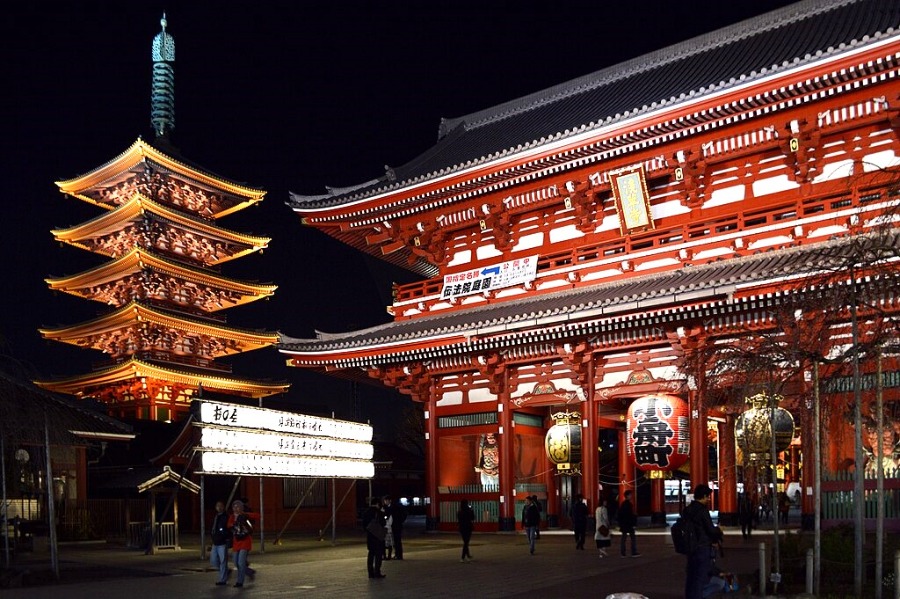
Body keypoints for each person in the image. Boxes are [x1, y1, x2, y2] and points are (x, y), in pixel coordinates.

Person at [682, 484, 725, 599]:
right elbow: (710, 530)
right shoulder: (702, 510)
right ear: (704, 496)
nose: (709, 499)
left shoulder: (687, 510)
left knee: (691, 576)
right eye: (708, 497)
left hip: (691, 547)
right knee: (700, 577)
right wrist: (719, 530)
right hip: (702, 548)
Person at [227, 499, 256, 588]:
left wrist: (246, 515)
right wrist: (234, 524)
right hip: (236, 542)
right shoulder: (232, 517)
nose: (236, 509)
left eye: (238, 507)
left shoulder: (245, 515)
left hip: (245, 541)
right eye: (234, 507)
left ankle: (240, 581)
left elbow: (257, 516)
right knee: (236, 562)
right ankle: (249, 572)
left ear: (242, 508)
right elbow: (229, 525)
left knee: (241, 562)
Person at [363, 498, 387, 578]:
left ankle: (370, 572)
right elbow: (383, 523)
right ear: (377, 504)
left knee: (371, 554)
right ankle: (377, 572)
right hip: (378, 536)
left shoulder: (366, 512)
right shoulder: (379, 513)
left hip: (370, 536)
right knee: (378, 555)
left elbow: (364, 525)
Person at [209, 500, 231, 586]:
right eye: (217, 506)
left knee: (223, 561)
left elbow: (228, 529)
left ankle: (223, 579)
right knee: (213, 561)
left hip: (222, 542)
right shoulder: (216, 516)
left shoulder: (226, 516)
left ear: (224, 507)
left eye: (221, 506)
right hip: (215, 542)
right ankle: (225, 571)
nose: (219, 507)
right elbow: (213, 528)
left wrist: (225, 536)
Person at [617, 490, 639, 557]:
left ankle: (623, 553)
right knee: (633, 538)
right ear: (627, 496)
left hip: (624, 524)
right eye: (630, 495)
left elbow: (620, 515)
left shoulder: (622, 504)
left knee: (623, 538)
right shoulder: (629, 504)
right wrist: (633, 523)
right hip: (629, 524)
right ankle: (633, 552)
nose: (631, 496)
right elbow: (630, 515)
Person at [386, 495, 407, 560]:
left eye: (386, 500)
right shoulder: (397, 506)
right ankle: (398, 555)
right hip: (398, 525)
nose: (385, 502)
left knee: (396, 541)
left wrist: (385, 517)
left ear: (390, 500)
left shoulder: (392, 507)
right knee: (397, 541)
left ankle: (398, 555)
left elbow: (388, 516)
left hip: (395, 526)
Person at [457, 498, 475, 562]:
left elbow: (459, 520)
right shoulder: (469, 511)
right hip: (468, 527)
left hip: (462, 528)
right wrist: (471, 510)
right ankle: (463, 557)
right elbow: (473, 518)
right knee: (466, 543)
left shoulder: (459, 512)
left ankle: (467, 555)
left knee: (465, 542)